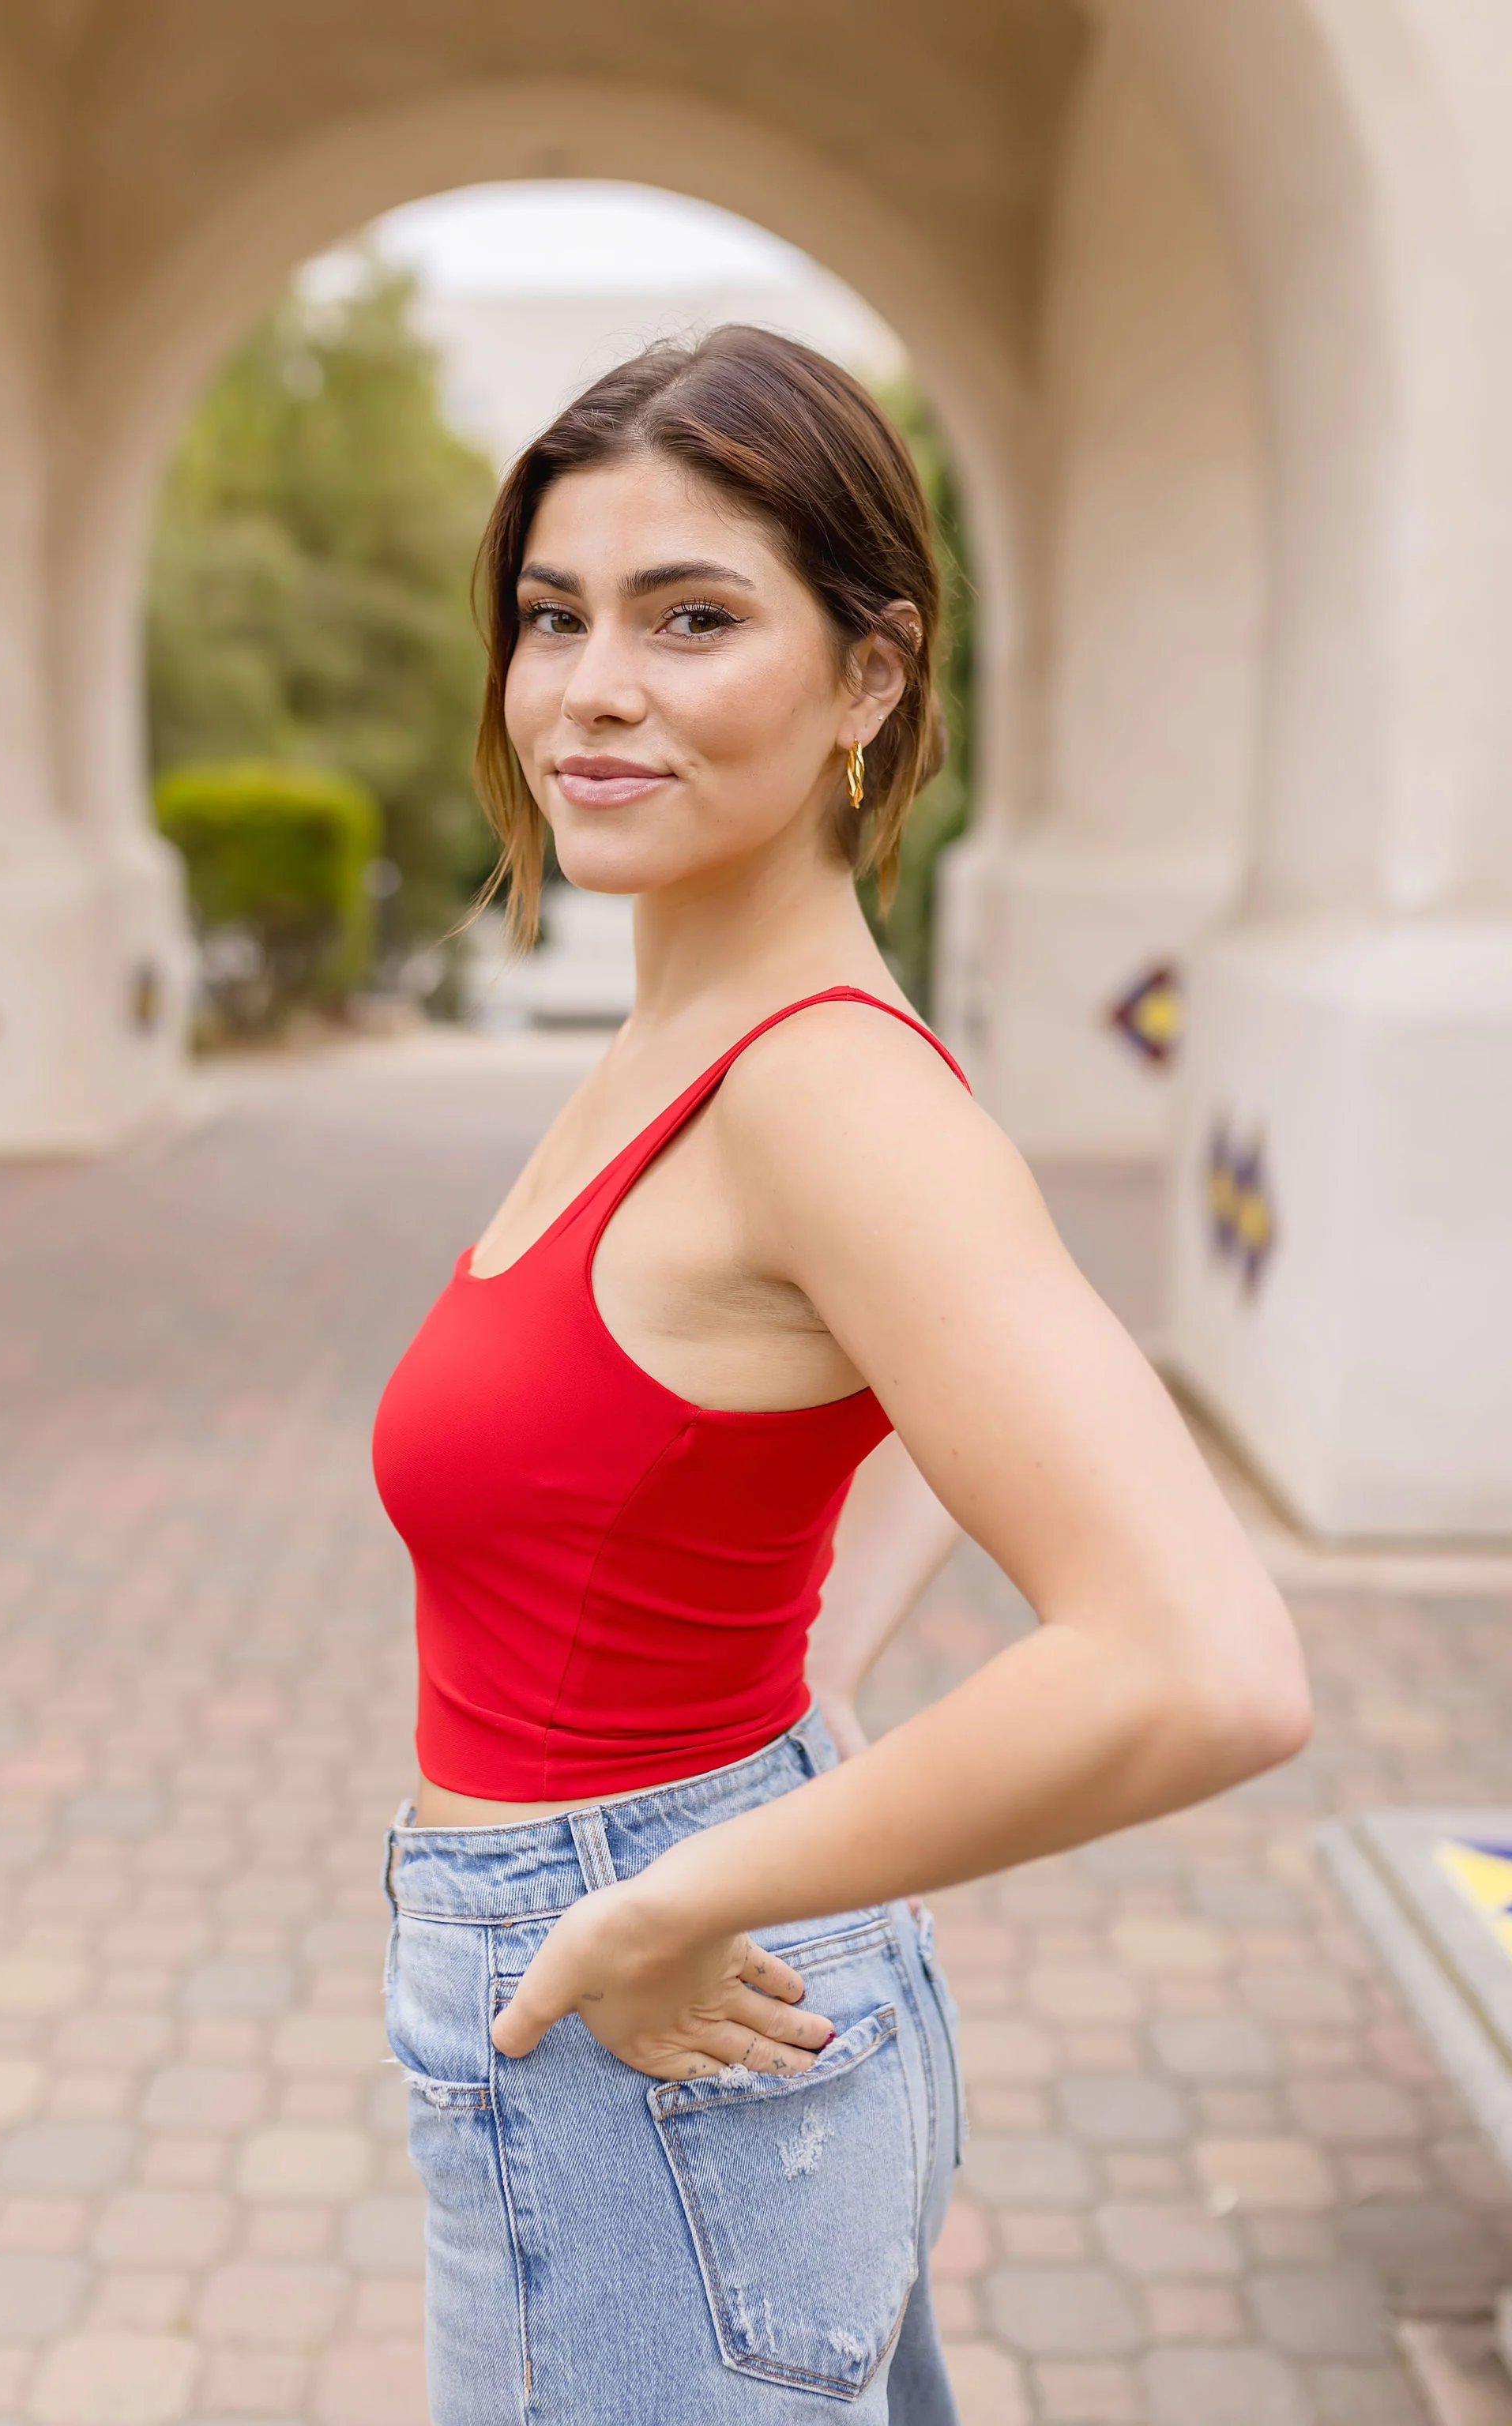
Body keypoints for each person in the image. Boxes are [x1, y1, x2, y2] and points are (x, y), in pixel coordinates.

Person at [371, 326, 1311, 2425]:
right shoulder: (705, 1039)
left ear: (869, 679)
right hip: (664, 1989)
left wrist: (677, 1889)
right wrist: (799, 1691)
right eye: (554, 615)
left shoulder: (820, 1094)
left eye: (692, 617)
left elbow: (1204, 1660)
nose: (592, 687)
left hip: (650, 2033)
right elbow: (916, 1415)